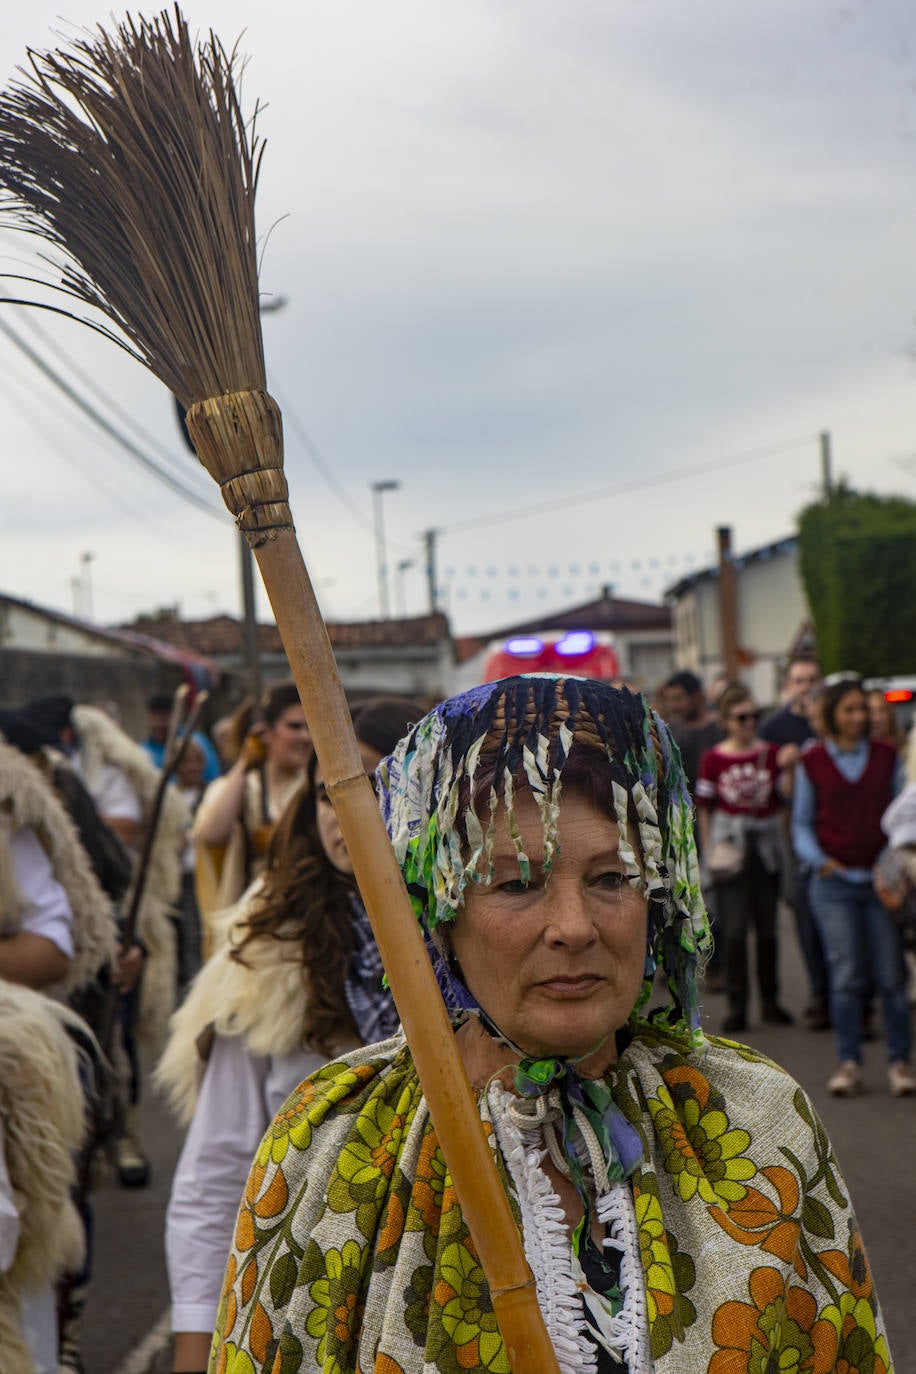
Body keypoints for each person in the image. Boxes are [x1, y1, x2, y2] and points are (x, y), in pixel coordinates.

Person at [213, 675, 894, 1374]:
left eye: (611, 879)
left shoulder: (755, 1120)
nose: (574, 928)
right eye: (516, 884)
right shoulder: (333, 1144)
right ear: (440, 915)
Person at [157, 697, 421, 1374]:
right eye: (328, 794)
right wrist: (194, 1338)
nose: (346, 815)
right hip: (304, 1300)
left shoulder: (492, 944)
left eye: (370, 784)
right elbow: (217, 1168)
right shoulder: (270, 956)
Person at [793, 676, 913, 1097]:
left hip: (879, 880)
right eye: (849, 709)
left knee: (891, 976)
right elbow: (802, 824)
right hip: (834, 885)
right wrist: (821, 863)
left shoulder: (886, 756)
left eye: (863, 709)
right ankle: (849, 1062)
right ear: (831, 715)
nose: (859, 717)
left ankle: (900, 1062)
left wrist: (895, 864)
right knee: (845, 977)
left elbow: (903, 819)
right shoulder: (812, 762)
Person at [696, 684, 793, 1034]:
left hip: (765, 848)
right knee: (735, 931)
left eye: (754, 717)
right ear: (725, 721)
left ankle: (770, 1001)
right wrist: (709, 852)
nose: (749, 723)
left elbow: (785, 801)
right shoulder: (714, 759)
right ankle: (738, 1006)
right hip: (731, 849)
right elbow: (705, 809)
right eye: (741, 718)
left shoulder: (773, 753)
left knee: (767, 930)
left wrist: (790, 769)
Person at [193, 681, 309, 914]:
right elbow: (212, 834)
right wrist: (245, 764)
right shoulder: (241, 787)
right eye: (294, 727)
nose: (305, 737)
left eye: (309, 727)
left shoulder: (315, 787)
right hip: (249, 911)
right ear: (267, 733)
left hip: (304, 908)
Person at [758, 655, 830, 1030]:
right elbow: (761, 784)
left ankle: (849, 998)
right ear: (789, 685)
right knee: (806, 917)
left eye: (813, 678)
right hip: (791, 833)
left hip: (835, 831)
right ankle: (821, 994)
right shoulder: (774, 726)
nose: (807, 686)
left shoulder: (833, 720)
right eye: (800, 680)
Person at [143, 691, 221, 784]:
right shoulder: (144, 752)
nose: (160, 724)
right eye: (155, 718)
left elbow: (214, 776)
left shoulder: (196, 741)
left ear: (175, 716)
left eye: (164, 718)